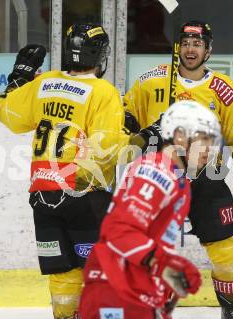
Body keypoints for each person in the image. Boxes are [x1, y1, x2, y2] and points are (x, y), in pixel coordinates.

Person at [0, 23, 160, 319]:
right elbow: (110, 151)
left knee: (63, 275)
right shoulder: (102, 91)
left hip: (43, 195)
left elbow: (6, 113)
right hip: (83, 194)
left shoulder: (44, 82)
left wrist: (18, 77)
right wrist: (145, 136)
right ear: (98, 55)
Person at [123, 20, 233, 319]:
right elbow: (126, 119)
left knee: (224, 250)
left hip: (207, 179)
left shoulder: (224, 90)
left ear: (208, 50)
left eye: (198, 44)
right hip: (159, 179)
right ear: (179, 47)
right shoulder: (151, 81)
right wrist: (144, 133)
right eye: (186, 43)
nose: (191, 50)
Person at [80, 100, 223, 319]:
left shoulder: (177, 180)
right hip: (116, 293)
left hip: (135, 294)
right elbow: (119, 230)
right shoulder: (157, 170)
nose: (209, 149)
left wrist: (167, 280)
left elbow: (148, 241)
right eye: (204, 139)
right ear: (179, 137)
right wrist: (167, 264)